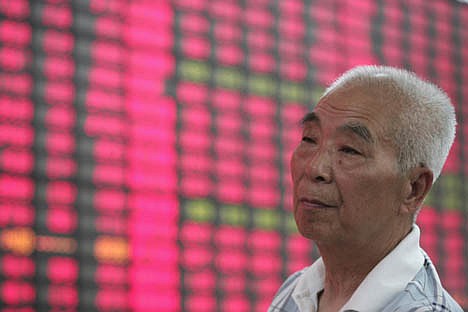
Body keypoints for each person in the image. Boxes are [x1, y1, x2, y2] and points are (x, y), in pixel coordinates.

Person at [268, 65, 463, 312]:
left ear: (414, 188)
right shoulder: (294, 293)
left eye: (350, 150)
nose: (314, 168)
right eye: (309, 139)